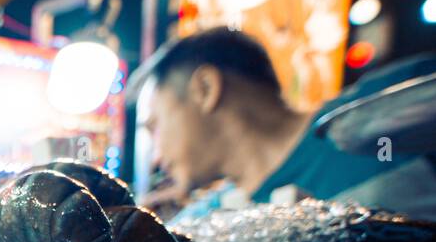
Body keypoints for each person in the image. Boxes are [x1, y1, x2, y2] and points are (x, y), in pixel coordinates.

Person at [128, 27, 436, 218]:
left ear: (205, 89)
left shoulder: (388, 104)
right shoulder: (210, 217)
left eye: (154, 126)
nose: (156, 156)